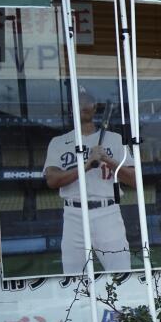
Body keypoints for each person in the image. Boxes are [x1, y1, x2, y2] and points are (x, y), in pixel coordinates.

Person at [43, 84, 134, 275]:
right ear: (71, 109)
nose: (84, 106)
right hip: (74, 214)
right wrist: (86, 164)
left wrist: (108, 160)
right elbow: (52, 180)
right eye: (79, 102)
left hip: (108, 212)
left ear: (95, 108)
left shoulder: (115, 139)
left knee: (121, 274)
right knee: (74, 278)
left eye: (88, 102)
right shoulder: (59, 142)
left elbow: (135, 180)